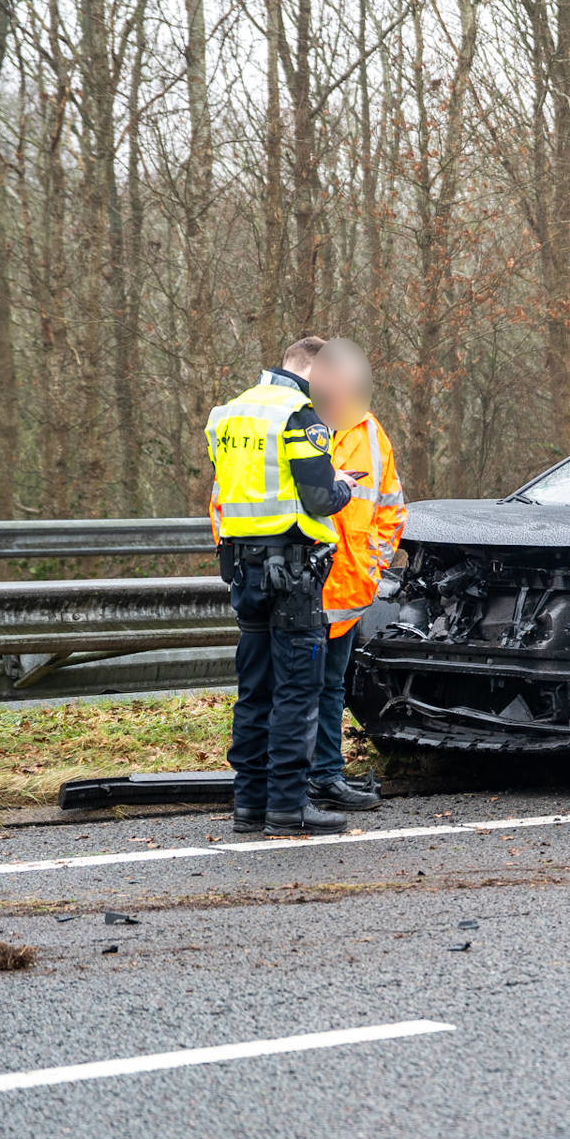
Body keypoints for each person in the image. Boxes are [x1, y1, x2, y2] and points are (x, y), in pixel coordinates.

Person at [205, 335, 357, 837]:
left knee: (255, 690)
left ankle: (248, 806)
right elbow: (317, 496)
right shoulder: (300, 414)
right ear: (313, 371)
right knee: (297, 690)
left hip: (244, 569)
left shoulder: (229, 413)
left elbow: (234, 485)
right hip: (292, 573)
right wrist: (345, 487)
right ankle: (288, 809)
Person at [303, 338, 407, 810]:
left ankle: (324, 774)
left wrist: (372, 566)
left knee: (329, 687)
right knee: (297, 688)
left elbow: (390, 507)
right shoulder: (297, 422)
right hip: (301, 588)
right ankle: (297, 777)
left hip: (347, 590)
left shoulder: (370, 433)